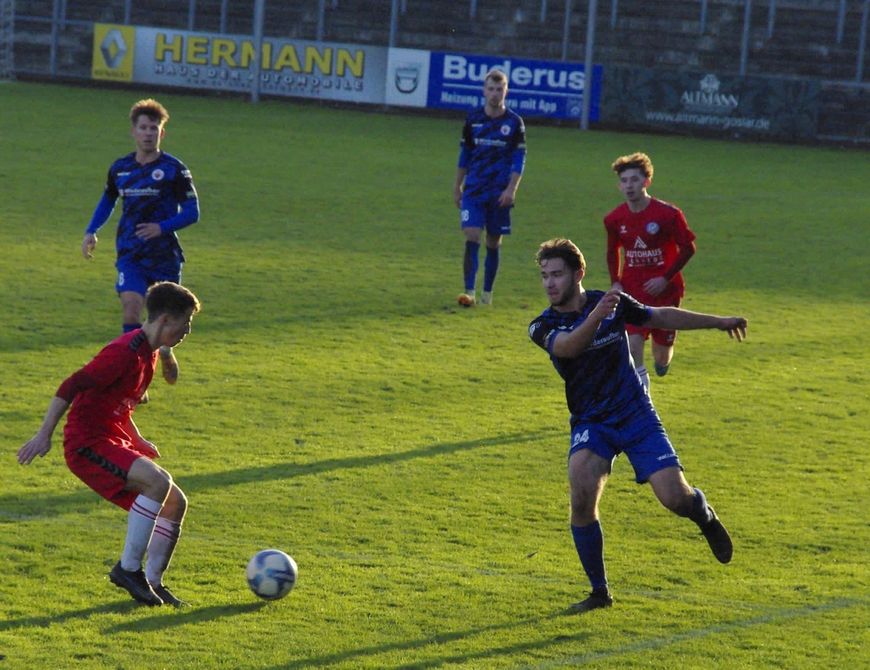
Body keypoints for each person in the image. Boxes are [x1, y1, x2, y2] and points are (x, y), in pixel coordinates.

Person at [528, 238, 747, 613]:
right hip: (592, 421)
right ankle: (599, 593)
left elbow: (658, 316)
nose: (549, 283)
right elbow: (568, 347)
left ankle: (703, 514)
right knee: (581, 496)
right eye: (545, 276)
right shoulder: (542, 325)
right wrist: (598, 315)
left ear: (578, 274)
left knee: (675, 499)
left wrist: (719, 322)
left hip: (635, 414)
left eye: (557, 274)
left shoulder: (610, 303)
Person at [18, 282, 201, 607]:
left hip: (111, 439)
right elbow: (71, 385)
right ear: (165, 320)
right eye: (185, 322)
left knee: (175, 502)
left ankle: (153, 583)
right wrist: (44, 433)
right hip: (86, 444)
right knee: (158, 483)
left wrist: (137, 439)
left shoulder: (150, 354)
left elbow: (120, 404)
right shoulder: (123, 353)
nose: (187, 330)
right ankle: (128, 570)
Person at [82, 98, 200, 395]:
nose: (148, 133)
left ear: (162, 133)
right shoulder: (120, 169)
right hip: (130, 253)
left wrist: (162, 227)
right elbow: (108, 199)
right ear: (134, 131)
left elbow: (192, 212)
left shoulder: (174, 170)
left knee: (165, 321)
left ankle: (165, 351)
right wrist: (92, 230)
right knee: (131, 309)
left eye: (154, 128)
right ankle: (134, 375)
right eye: (143, 128)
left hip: (164, 256)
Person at [604, 152, 696, 392]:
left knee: (661, 355)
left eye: (634, 180)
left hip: (666, 291)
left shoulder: (668, 214)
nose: (629, 185)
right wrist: (616, 282)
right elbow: (612, 251)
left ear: (647, 181)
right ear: (619, 185)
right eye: (624, 181)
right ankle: (642, 392)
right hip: (633, 290)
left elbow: (688, 248)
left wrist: (665, 278)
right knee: (633, 343)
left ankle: (662, 361)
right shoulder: (614, 219)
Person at [453, 69, 526, 307]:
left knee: (493, 242)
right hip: (474, 190)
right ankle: (469, 292)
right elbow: (465, 155)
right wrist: (457, 186)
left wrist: (511, 189)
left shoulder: (514, 123)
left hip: (499, 192)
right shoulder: (473, 119)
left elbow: (519, 159)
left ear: (506, 91)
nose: (495, 94)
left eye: (499, 89)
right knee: (472, 234)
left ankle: (487, 294)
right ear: (484, 91)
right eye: (491, 89)